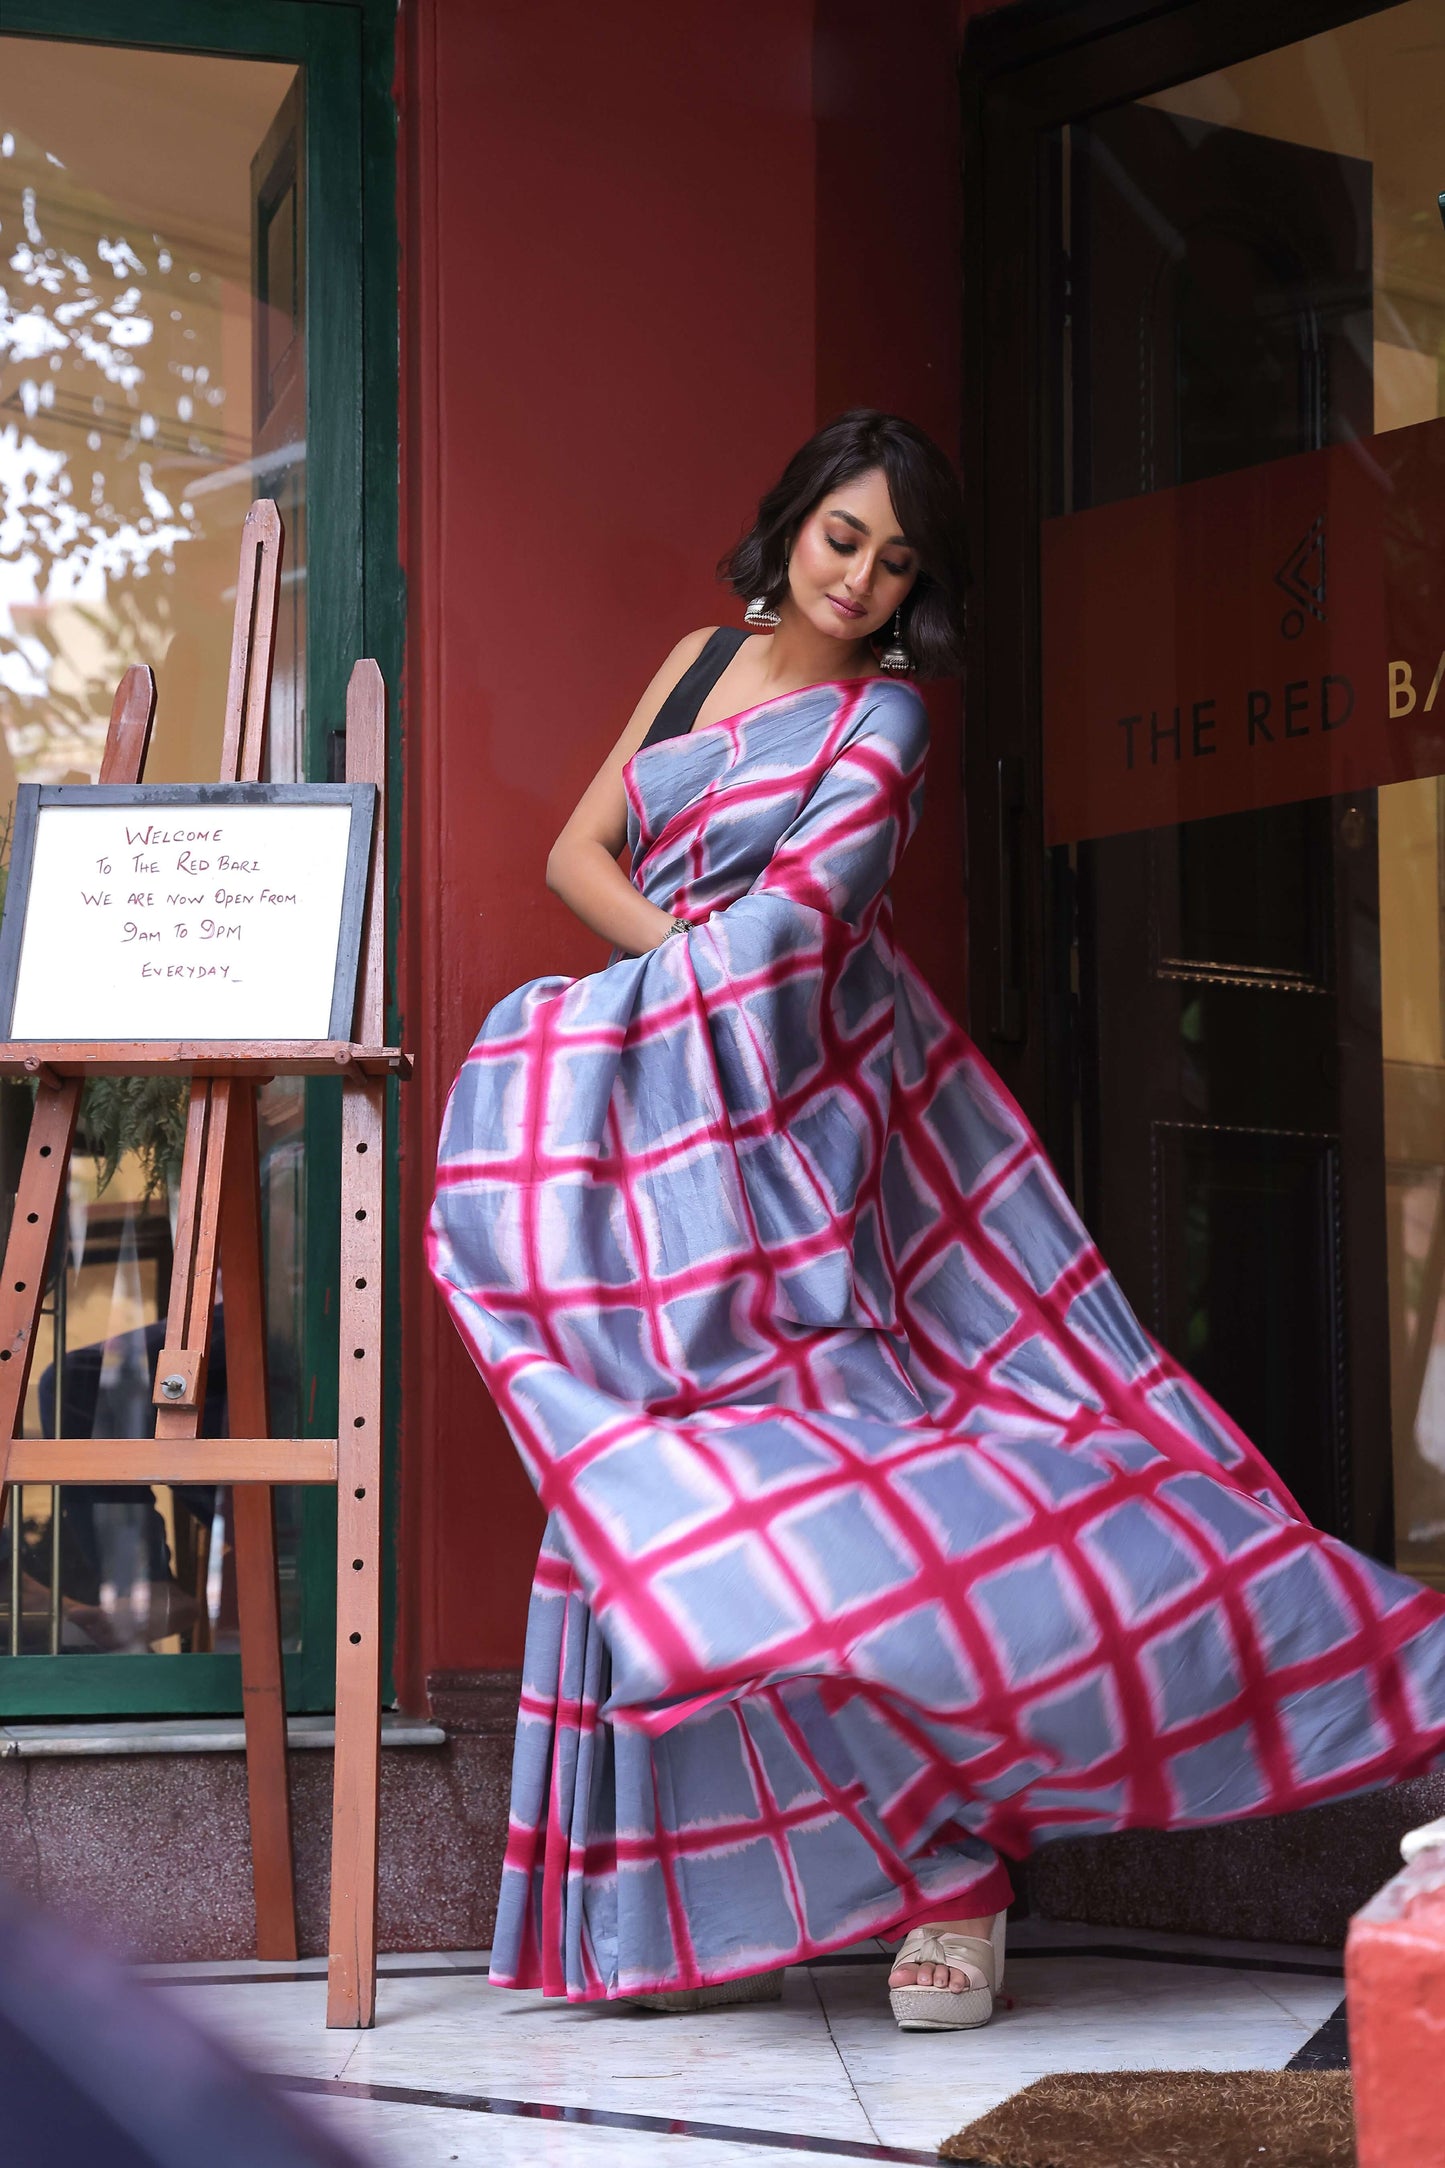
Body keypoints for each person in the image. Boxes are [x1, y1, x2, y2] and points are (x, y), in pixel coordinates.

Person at [429, 409, 1445, 2032]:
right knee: (647, 1488)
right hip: (663, 1123)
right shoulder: (697, 667)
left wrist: (674, 983)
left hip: (811, 1126)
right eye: (842, 538)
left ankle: (956, 1876)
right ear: (787, 525)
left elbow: (798, 933)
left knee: (875, 1496)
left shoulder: (881, 718)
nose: (860, 579)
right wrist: (659, 1003)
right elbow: (577, 849)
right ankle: (689, 1906)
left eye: (897, 561)